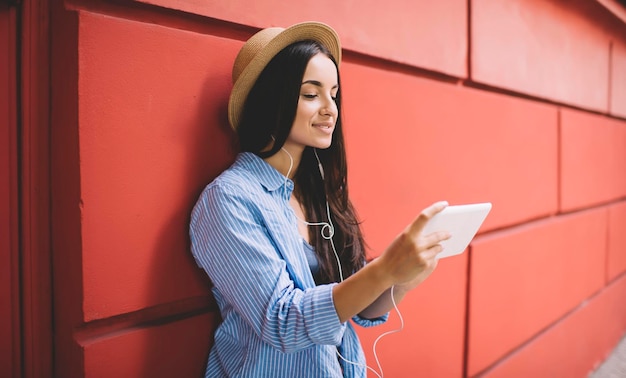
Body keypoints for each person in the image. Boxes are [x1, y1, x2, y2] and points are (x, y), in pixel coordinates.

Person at [189, 21, 450, 378]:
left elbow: (358, 309)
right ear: (270, 100)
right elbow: (282, 321)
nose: (331, 109)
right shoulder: (228, 200)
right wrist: (384, 269)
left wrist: (403, 278)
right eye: (311, 94)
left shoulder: (317, 193)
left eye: (334, 94)